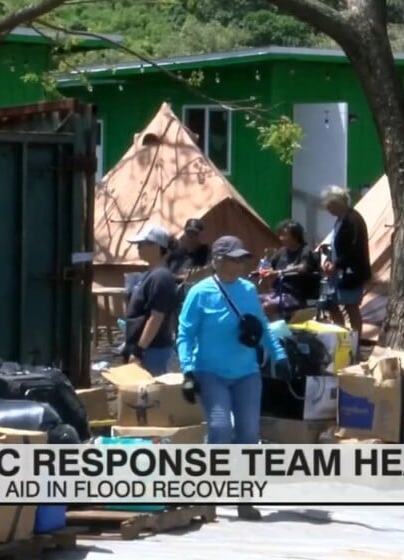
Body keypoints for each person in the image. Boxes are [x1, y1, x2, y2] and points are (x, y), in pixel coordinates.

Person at [176, 235, 289, 522]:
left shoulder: (248, 290)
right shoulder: (199, 293)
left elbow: (262, 326)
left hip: (247, 373)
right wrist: (187, 371)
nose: (239, 265)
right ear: (217, 260)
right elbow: (185, 334)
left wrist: (279, 356)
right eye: (233, 259)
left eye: (242, 260)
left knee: (249, 435)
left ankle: (244, 498)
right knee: (220, 429)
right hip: (210, 373)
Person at [319, 185, 371, 350]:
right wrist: (329, 259)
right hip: (338, 272)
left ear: (338, 202)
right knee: (332, 305)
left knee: (351, 306)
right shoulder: (339, 221)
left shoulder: (353, 220)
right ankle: (341, 340)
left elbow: (355, 248)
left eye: (329, 205)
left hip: (352, 272)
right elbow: (337, 245)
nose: (327, 209)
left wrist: (337, 264)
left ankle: (354, 345)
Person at [124, 224, 178, 375]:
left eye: (142, 244)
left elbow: (156, 317)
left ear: (157, 247)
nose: (138, 248)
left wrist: (139, 350)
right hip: (145, 348)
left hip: (153, 351)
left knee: (152, 389)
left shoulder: (161, 277)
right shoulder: (150, 274)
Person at [259, 220, 320, 320]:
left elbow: (302, 268)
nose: (281, 238)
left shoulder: (305, 250)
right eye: (280, 235)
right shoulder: (281, 252)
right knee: (254, 301)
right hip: (278, 292)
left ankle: (270, 328)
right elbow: (270, 268)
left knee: (267, 307)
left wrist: (280, 272)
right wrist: (265, 267)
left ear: (296, 236)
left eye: (284, 235)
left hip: (296, 296)